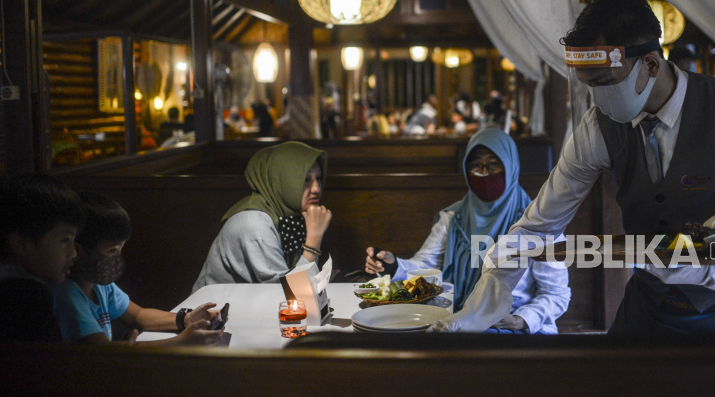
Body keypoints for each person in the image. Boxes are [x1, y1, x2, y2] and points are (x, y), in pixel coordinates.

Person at [435, 0, 715, 346]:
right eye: (587, 86)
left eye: (605, 83)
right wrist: (469, 318)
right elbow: (538, 227)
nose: (597, 99)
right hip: (648, 304)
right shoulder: (599, 128)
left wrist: (714, 271)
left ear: (651, 65)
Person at [365, 129, 571, 334]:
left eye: (494, 163)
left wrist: (520, 319)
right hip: (457, 321)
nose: (484, 172)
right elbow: (425, 268)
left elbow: (556, 293)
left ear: (510, 167)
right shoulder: (454, 218)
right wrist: (394, 266)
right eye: (475, 165)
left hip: (514, 328)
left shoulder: (539, 225)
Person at [53, 192, 223, 346]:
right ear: (79, 250)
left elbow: (138, 315)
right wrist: (181, 341)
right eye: (112, 250)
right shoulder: (67, 296)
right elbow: (102, 352)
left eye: (121, 249)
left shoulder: (100, 285)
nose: (117, 258)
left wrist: (186, 319)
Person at [192, 142, 332, 291]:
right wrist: (314, 239)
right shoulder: (254, 224)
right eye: (306, 179)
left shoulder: (289, 213)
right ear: (281, 181)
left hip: (251, 305)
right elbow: (291, 293)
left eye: (319, 178)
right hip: (214, 311)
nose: (317, 188)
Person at [0, 175, 85, 343]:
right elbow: (46, 365)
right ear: (21, 244)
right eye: (65, 240)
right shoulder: (26, 297)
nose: (73, 253)